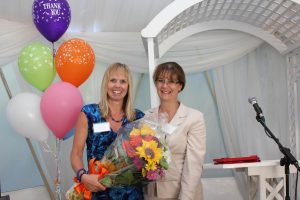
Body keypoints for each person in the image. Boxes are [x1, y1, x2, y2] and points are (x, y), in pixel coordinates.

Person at [71, 62, 145, 200]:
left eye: (123, 81)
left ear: (128, 87)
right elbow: (76, 153)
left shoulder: (138, 117)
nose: (117, 85)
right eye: (113, 80)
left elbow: (142, 158)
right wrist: (83, 176)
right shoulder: (89, 113)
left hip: (132, 194)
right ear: (106, 84)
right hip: (98, 189)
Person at [144, 62, 206, 200]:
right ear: (156, 84)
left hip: (182, 193)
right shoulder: (145, 116)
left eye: (171, 82)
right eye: (161, 81)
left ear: (180, 86)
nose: (165, 86)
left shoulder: (194, 118)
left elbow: (194, 165)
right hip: (150, 194)